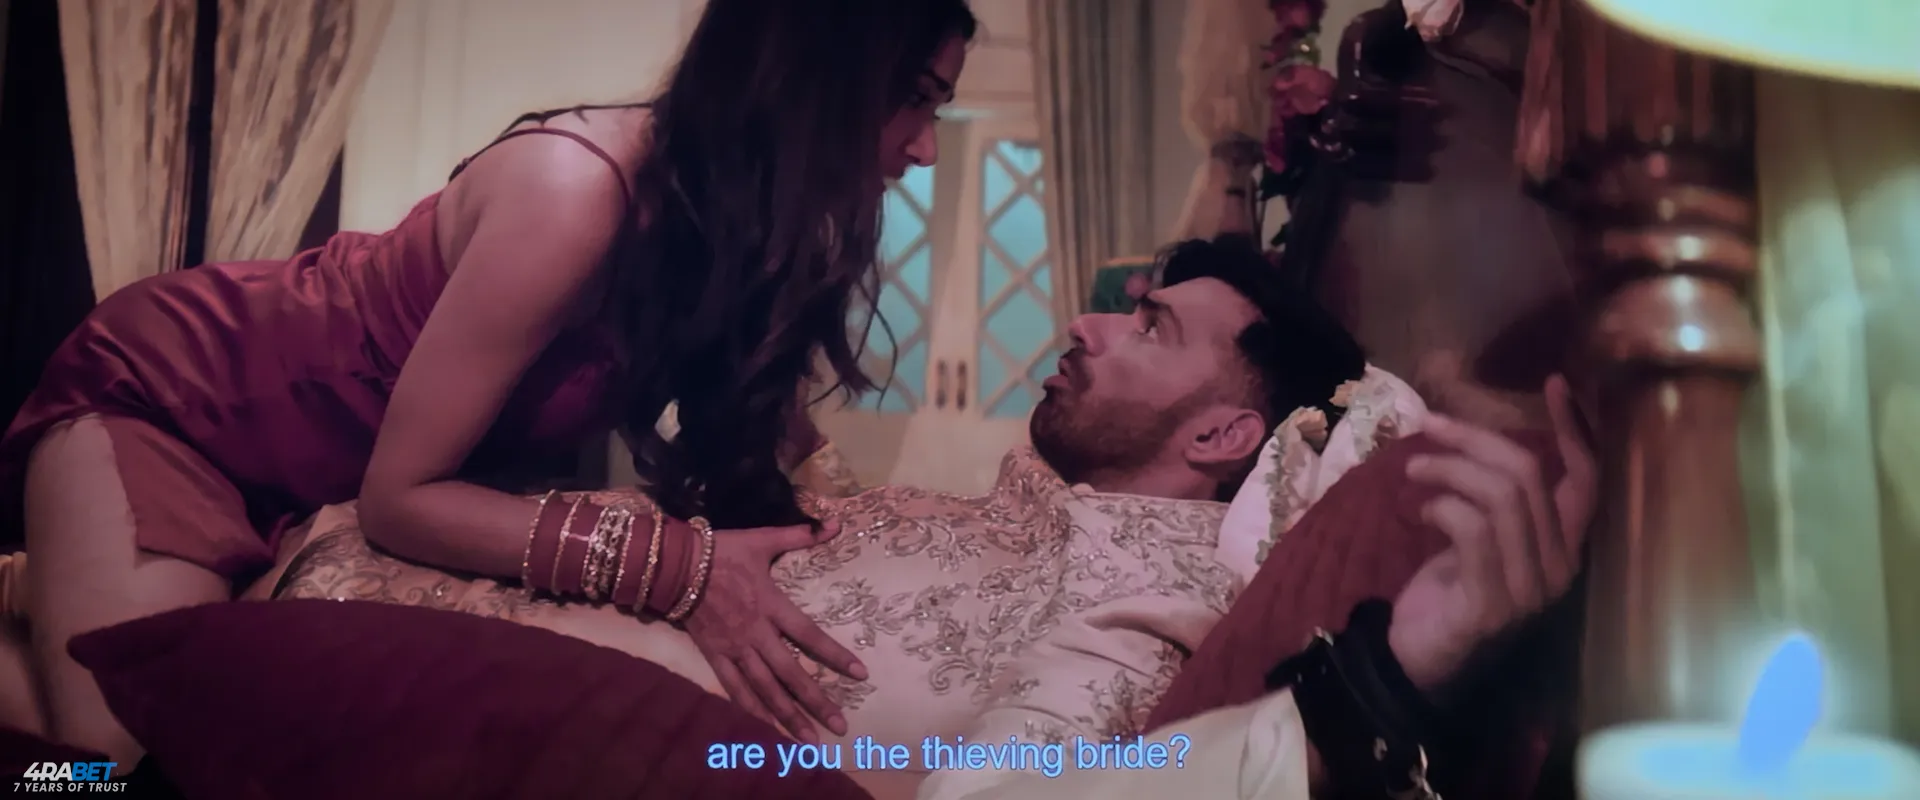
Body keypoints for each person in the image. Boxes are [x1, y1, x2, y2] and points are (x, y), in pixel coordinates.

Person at [0, 0, 979, 766]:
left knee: (234, 734)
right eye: (917, 98)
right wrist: (679, 568)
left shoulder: (734, 227)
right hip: (177, 405)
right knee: (109, 768)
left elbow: (786, 459)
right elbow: (399, 499)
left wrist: (905, 550)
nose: (925, 146)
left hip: (313, 480)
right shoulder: (575, 190)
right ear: (813, 75)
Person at [265, 237, 1377, 753]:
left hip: (400, 658)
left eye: (1149, 327)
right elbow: (889, 562)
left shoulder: (1160, 590)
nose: (1087, 324)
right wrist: (795, 442)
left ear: (1224, 434)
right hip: (388, 561)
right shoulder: (1061, 504)